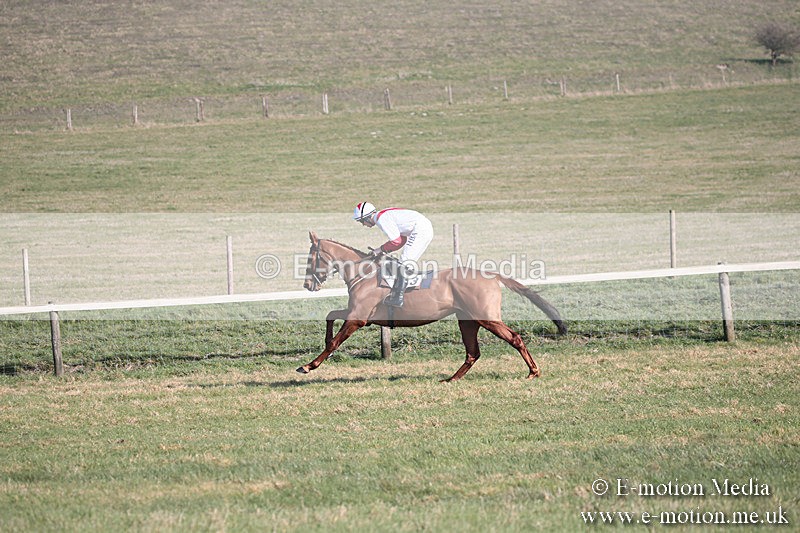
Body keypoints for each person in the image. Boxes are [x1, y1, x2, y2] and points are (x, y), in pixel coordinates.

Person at [353, 202, 434, 307]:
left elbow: (396, 241)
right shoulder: (382, 216)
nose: (363, 224)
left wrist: (379, 250)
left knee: (404, 262)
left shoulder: (381, 219)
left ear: (367, 218)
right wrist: (382, 250)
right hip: (422, 228)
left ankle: (398, 298)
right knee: (403, 261)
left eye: (362, 221)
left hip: (421, 230)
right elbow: (401, 240)